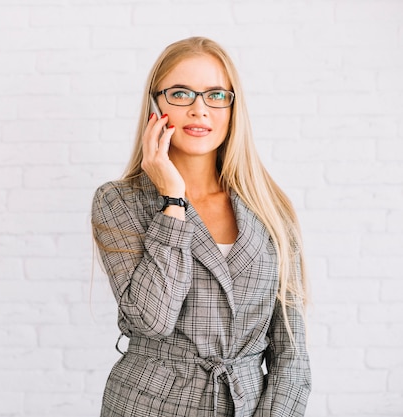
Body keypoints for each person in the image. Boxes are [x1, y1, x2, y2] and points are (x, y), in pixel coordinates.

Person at [91, 36, 311, 417]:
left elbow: (291, 354)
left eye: (215, 95)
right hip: (148, 404)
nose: (199, 110)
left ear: (232, 108)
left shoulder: (271, 208)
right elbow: (152, 320)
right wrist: (173, 201)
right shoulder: (118, 201)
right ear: (155, 106)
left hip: (247, 404)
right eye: (180, 94)